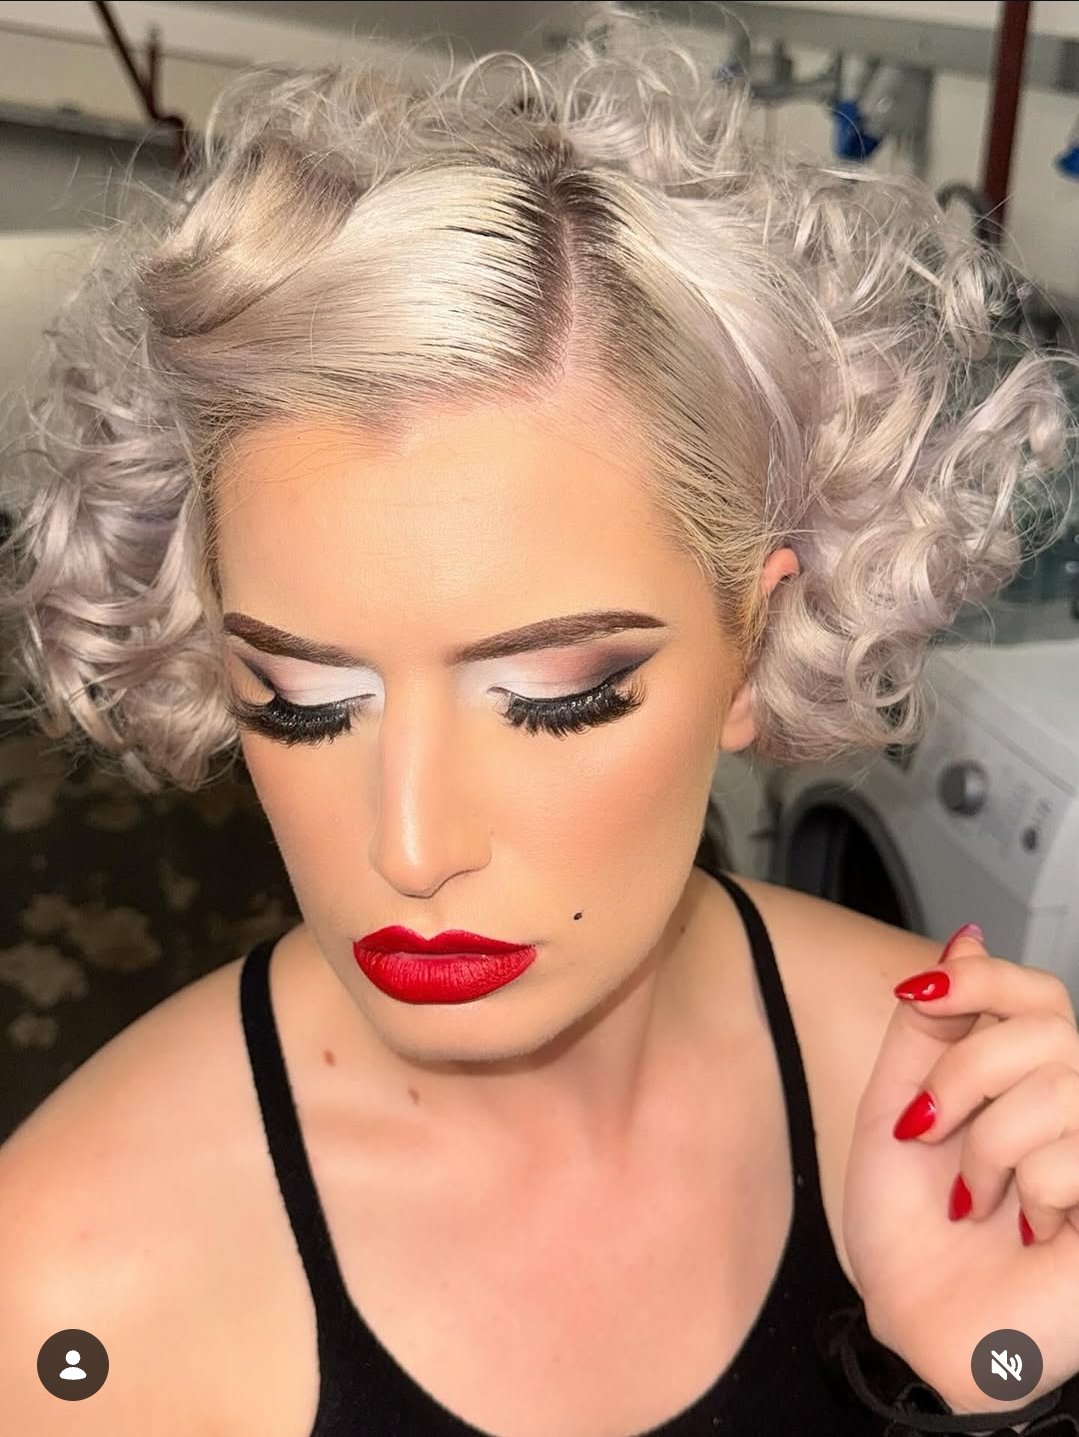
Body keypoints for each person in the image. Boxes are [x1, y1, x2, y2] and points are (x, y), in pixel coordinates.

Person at [2, 4, 1079, 1433]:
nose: (410, 846)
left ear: (754, 646)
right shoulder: (68, 1286)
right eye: (301, 702)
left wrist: (988, 1387)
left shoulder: (936, 1101)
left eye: (554, 698)